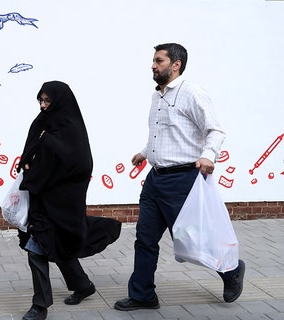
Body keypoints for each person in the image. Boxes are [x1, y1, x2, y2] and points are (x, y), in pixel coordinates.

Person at [114, 43, 245, 311]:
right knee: (145, 238)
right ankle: (142, 295)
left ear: (176, 64)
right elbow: (164, 134)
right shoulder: (157, 96)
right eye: (153, 60)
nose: (153, 65)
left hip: (182, 180)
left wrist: (209, 155)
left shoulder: (192, 93)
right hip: (155, 180)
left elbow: (215, 131)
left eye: (159, 60)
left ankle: (231, 271)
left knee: (192, 239)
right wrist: (144, 152)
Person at [17, 81, 121, 320]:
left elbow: (81, 165)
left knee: (43, 246)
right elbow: (30, 152)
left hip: (63, 200)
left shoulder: (72, 129)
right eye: (40, 101)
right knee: (50, 243)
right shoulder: (42, 123)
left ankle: (39, 306)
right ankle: (81, 286)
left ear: (60, 101)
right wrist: (27, 164)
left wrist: (40, 167)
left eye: (48, 101)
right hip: (41, 198)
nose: (43, 106)